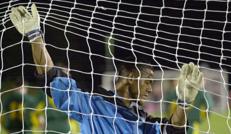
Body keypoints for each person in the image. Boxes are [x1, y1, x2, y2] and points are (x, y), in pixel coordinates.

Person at [9, 4, 203, 134]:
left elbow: (173, 129)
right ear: (129, 75)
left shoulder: (142, 121)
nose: (151, 89)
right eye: (148, 80)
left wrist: (184, 102)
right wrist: (35, 35)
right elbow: (51, 79)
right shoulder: (94, 103)